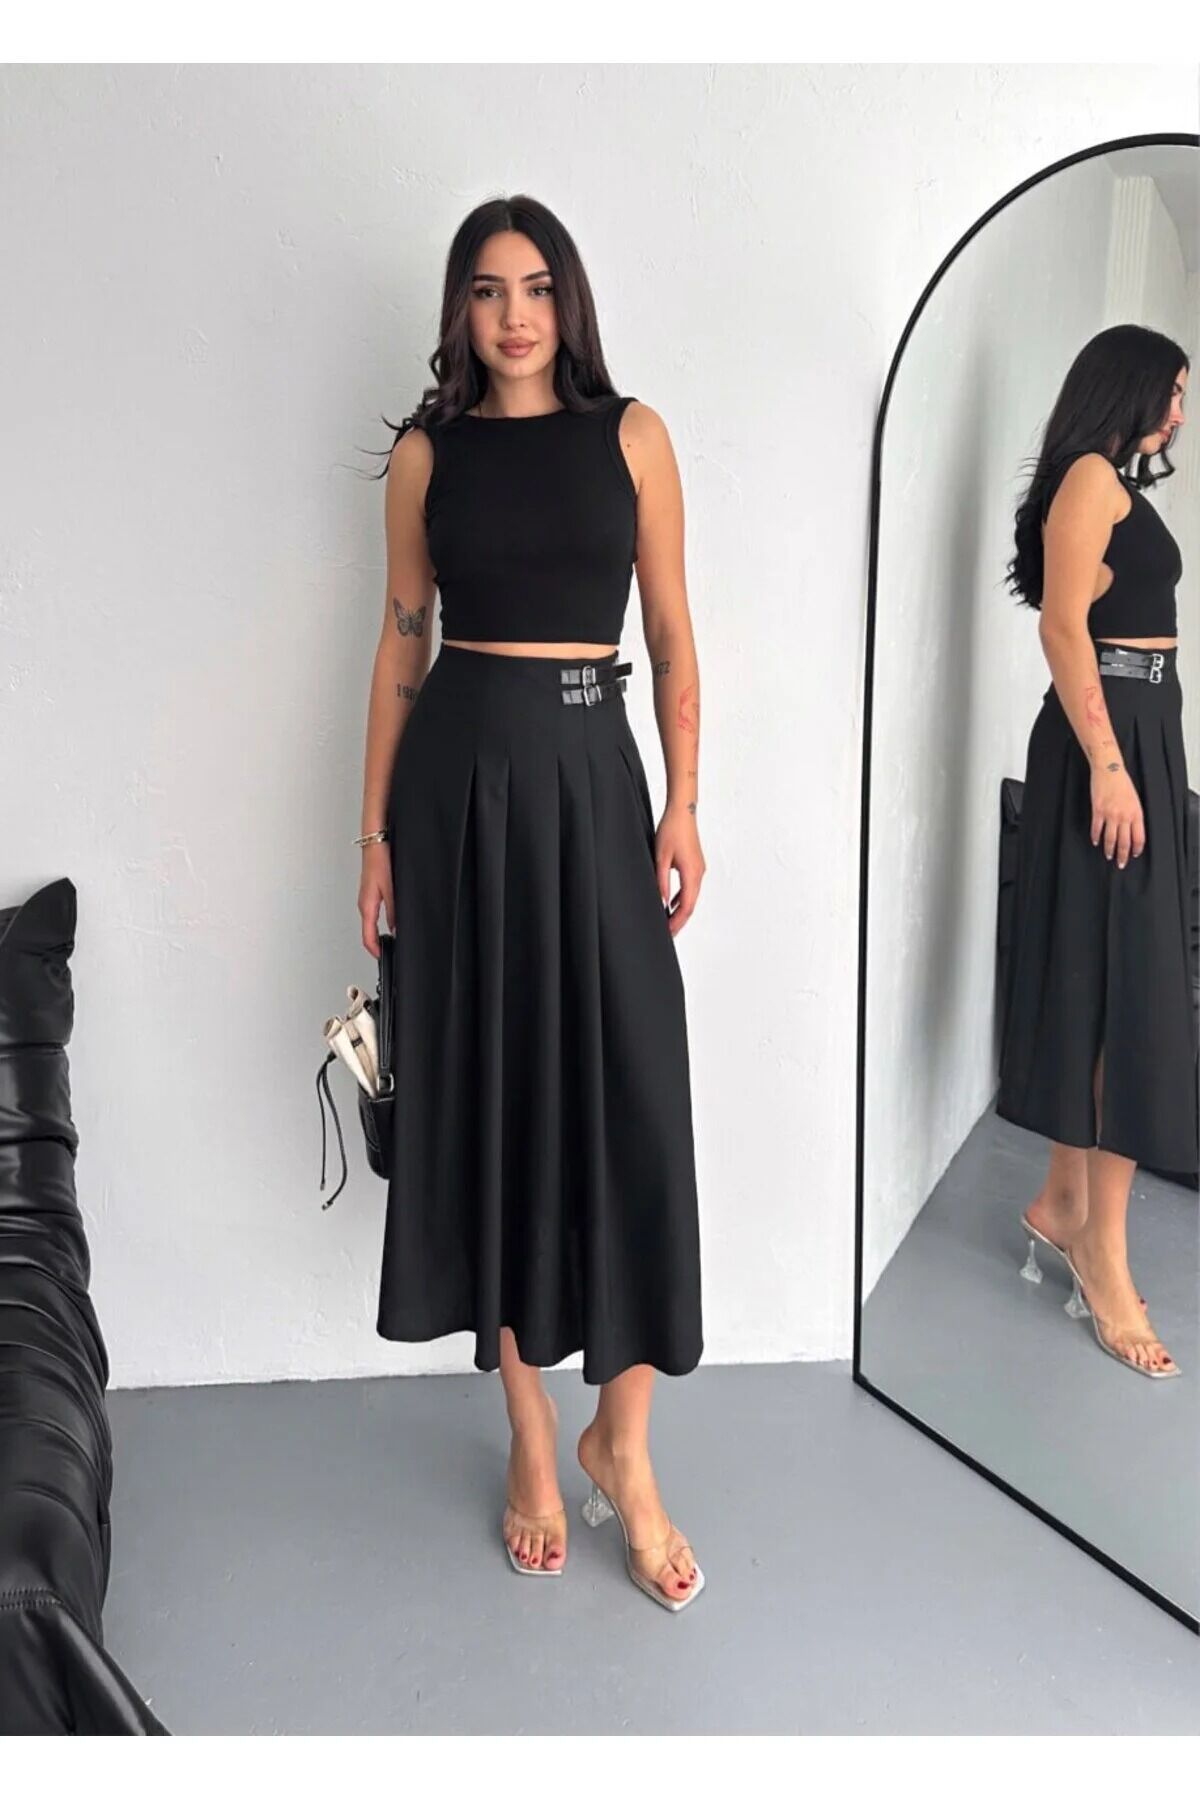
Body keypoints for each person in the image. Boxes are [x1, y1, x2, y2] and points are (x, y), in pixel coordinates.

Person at [356, 195, 705, 1607]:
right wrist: (372, 834)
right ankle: (529, 1430)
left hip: (594, 783)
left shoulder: (635, 436)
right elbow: (400, 647)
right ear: (461, 308)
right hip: (460, 797)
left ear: (570, 302)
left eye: (539, 286)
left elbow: (671, 633)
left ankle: (627, 1440)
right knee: (495, 1103)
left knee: (636, 1094)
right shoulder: (424, 458)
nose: (515, 314)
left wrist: (684, 803)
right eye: (490, 289)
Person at [997, 323, 1194, 1378]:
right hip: (1107, 738)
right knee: (1130, 995)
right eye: (1173, 390)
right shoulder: (1087, 478)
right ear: (1129, 387)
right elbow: (1063, 627)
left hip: (1141, 732)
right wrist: (1111, 765)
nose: (1180, 412)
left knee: (1113, 979)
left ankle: (1063, 1202)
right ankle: (1102, 1254)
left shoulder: (1111, 482)